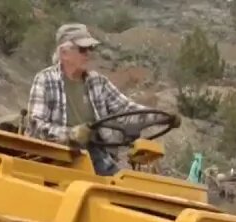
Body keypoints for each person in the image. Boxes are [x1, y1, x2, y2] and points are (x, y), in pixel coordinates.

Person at [26, 23, 171, 175]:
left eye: (90, 49)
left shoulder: (98, 82)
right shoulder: (45, 80)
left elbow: (126, 110)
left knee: (122, 184)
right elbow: (37, 126)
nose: (88, 54)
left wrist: (161, 117)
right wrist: (71, 134)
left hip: (93, 156)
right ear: (64, 53)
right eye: (82, 49)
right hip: (56, 157)